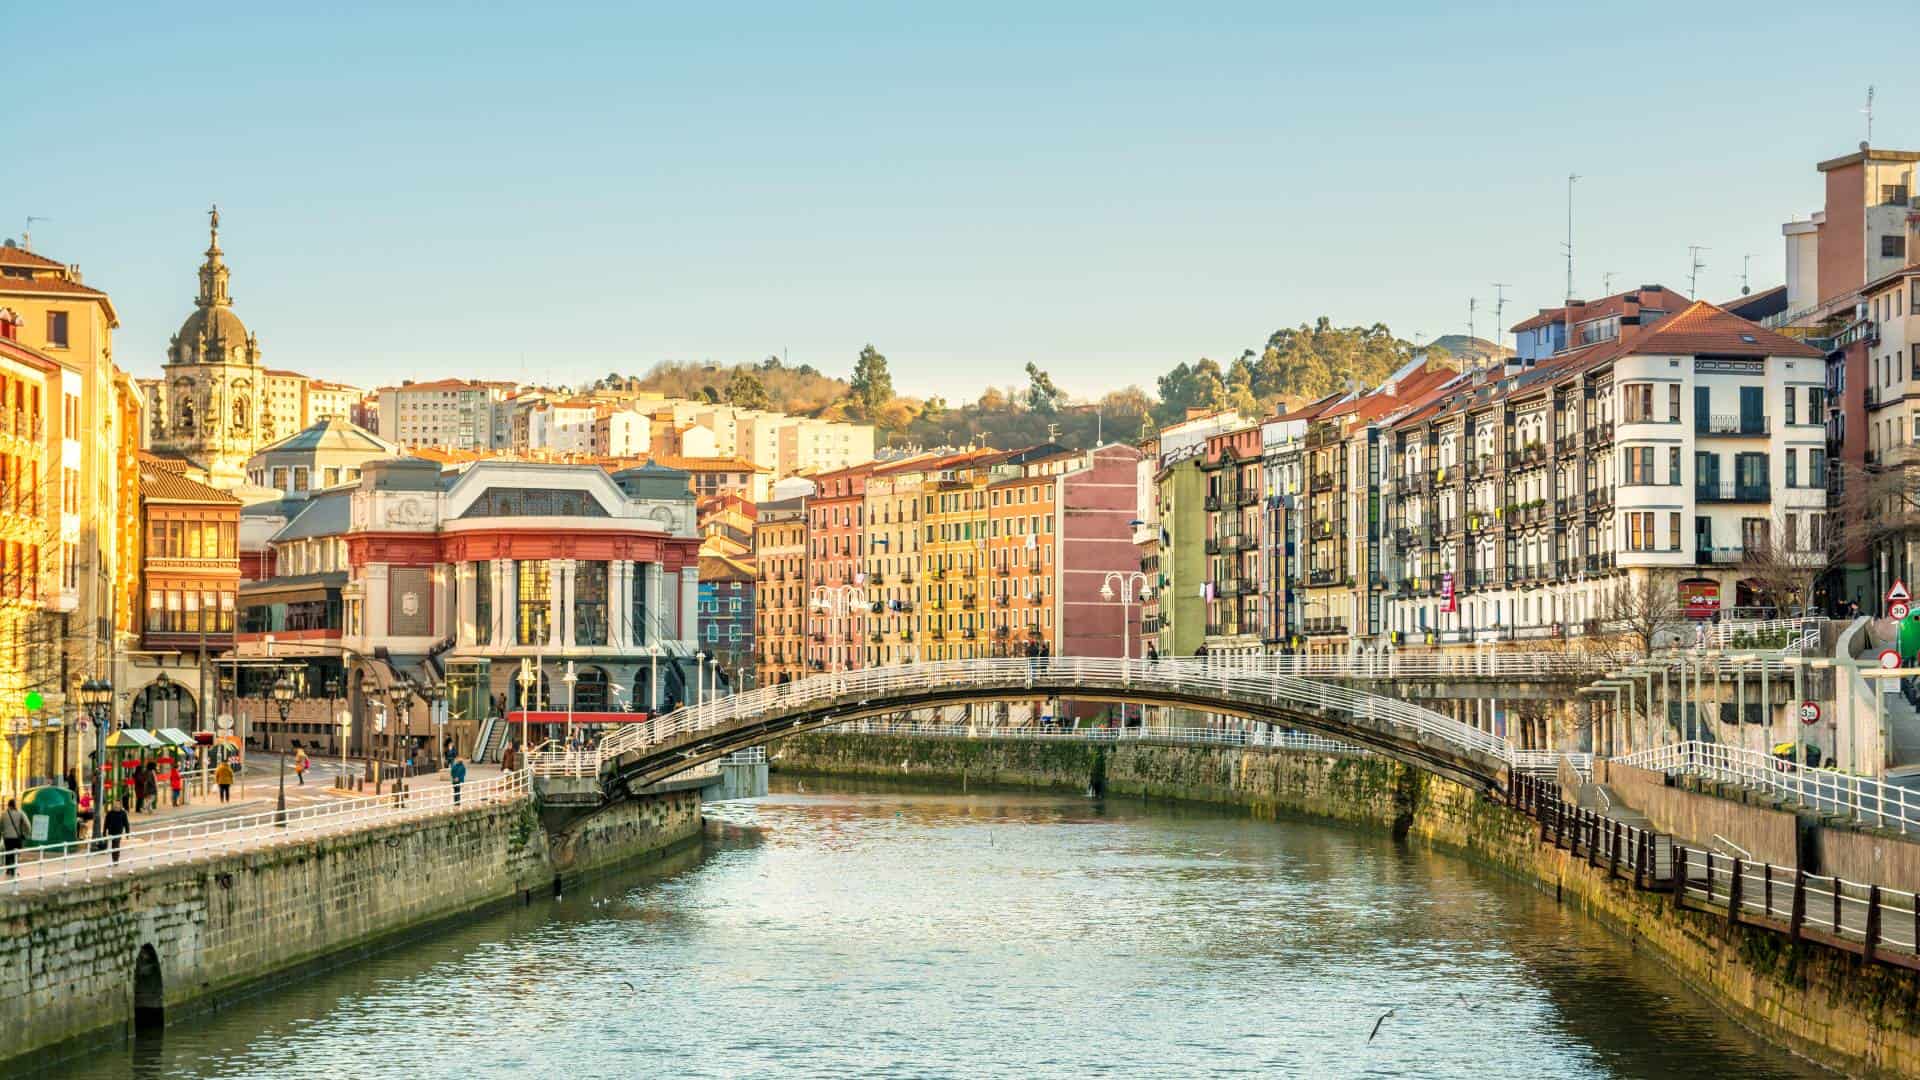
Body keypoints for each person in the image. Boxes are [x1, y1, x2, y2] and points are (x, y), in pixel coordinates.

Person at [1, 798, 28, 877]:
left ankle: (8, 869)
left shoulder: (4, 814)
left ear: (8, 805)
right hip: (16, 837)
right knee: (15, 853)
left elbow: (0, 825)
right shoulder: (20, 813)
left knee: (8, 853)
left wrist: (2, 833)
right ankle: (13, 870)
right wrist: (26, 833)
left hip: (7, 837)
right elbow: (27, 824)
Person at [104, 799, 130, 864]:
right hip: (111, 831)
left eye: (118, 804)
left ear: (120, 805)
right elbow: (106, 823)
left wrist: (127, 833)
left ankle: (116, 860)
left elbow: (126, 823)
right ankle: (114, 859)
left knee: (116, 845)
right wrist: (104, 832)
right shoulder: (110, 813)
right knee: (113, 845)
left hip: (118, 831)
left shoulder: (123, 813)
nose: (116, 806)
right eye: (115, 804)